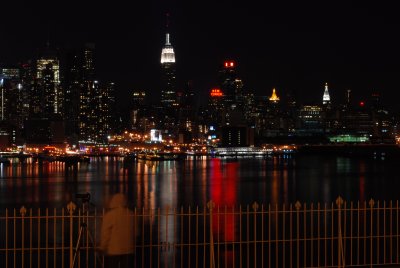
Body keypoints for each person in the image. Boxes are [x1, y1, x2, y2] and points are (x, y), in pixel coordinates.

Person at [99, 193, 136, 268]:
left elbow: (105, 233)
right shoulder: (131, 214)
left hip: (114, 250)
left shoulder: (109, 215)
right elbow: (135, 231)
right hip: (129, 250)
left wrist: (103, 247)